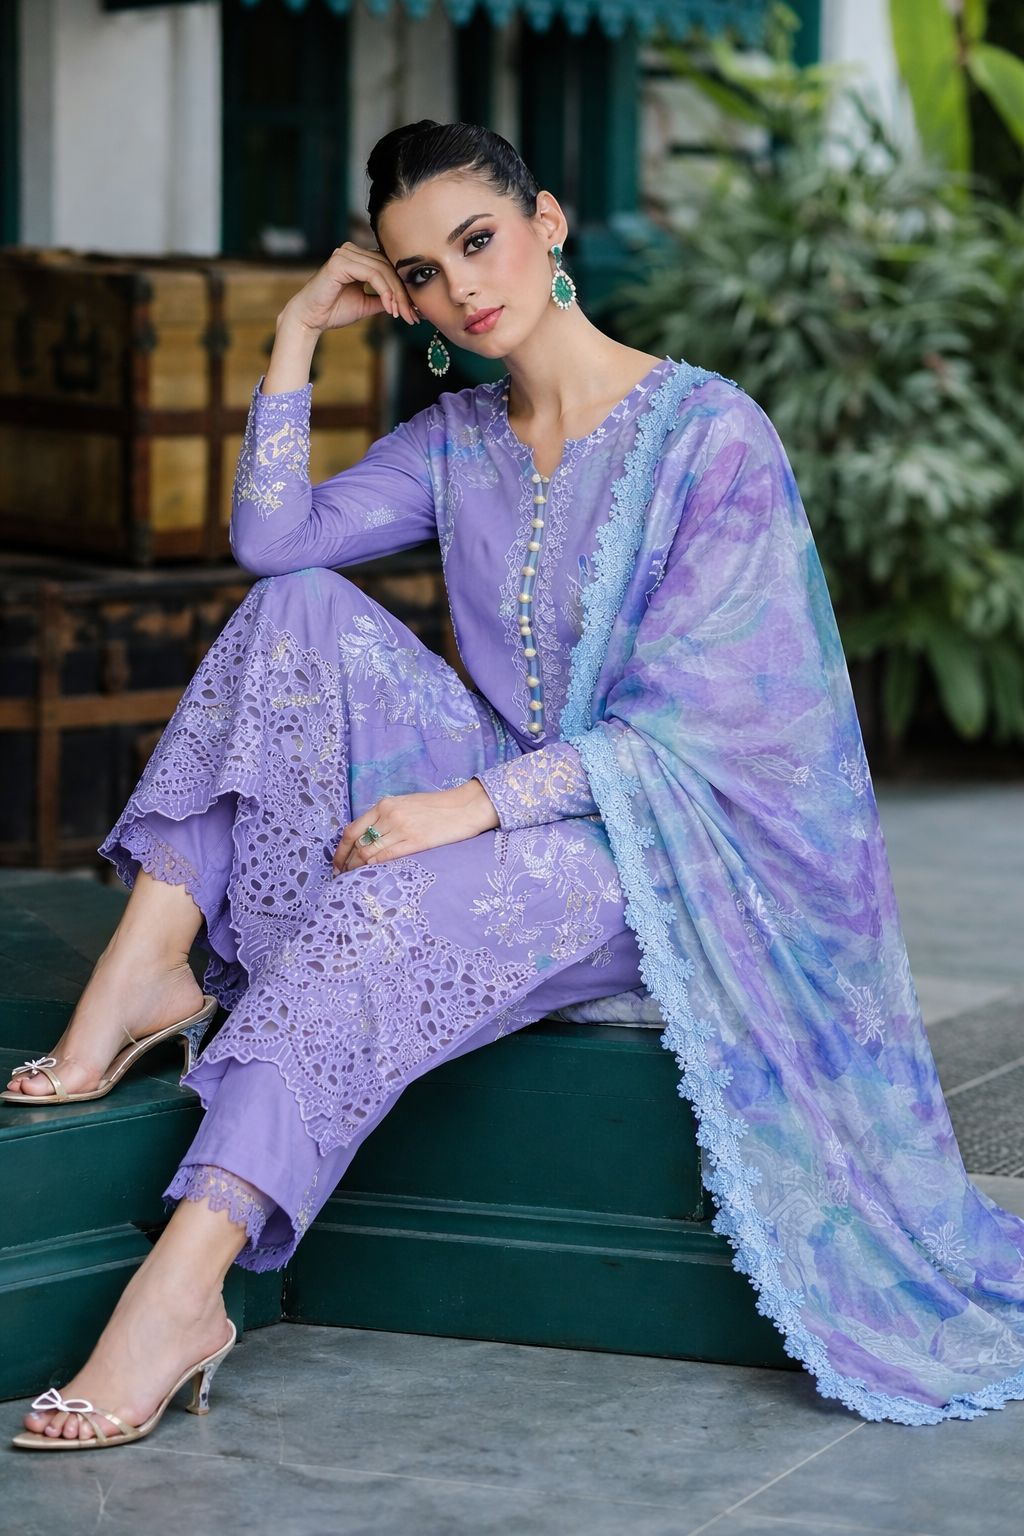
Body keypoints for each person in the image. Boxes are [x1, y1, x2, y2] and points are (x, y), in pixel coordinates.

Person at [8, 120, 1024, 1447]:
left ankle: (180, 1297)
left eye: (478, 240)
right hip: (514, 798)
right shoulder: (457, 439)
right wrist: (299, 332)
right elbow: (273, 544)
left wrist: (464, 809)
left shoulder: (709, 437)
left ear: (547, 224)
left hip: (657, 849)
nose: (461, 288)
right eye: (421, 273)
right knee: (295, 612)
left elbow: (717, 734)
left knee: (376, 910)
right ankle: (143, 974)